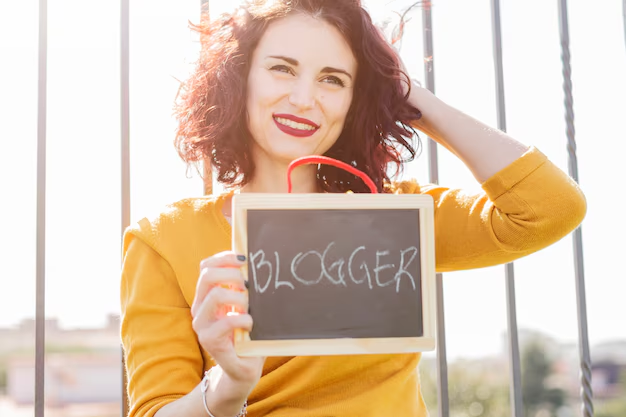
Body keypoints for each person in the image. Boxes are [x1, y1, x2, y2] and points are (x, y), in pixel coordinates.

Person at [119, 1, 587, 416]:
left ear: (353, 100)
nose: (304, 99)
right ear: (236, 77)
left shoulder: (396, 216)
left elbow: (550, 208)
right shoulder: (164, 239)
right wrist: (228, 388)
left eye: (333, 79)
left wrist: (407, 94)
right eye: (282, 68)